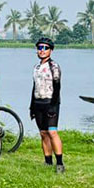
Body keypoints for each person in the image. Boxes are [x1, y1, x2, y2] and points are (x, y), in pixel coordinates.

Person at [30, 37, 64, 173]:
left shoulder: (54, 66)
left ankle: (60, 163)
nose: (42, 51)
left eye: (45, 48)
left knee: (52, 132)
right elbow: (34, 87)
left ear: (51, 50)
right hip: (38, 102)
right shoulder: (36, 67)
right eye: (40, 48)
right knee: (43, 133)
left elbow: (57, 86)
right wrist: (31, 106)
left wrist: (53, 105)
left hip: (51, 102)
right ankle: (48, 161)